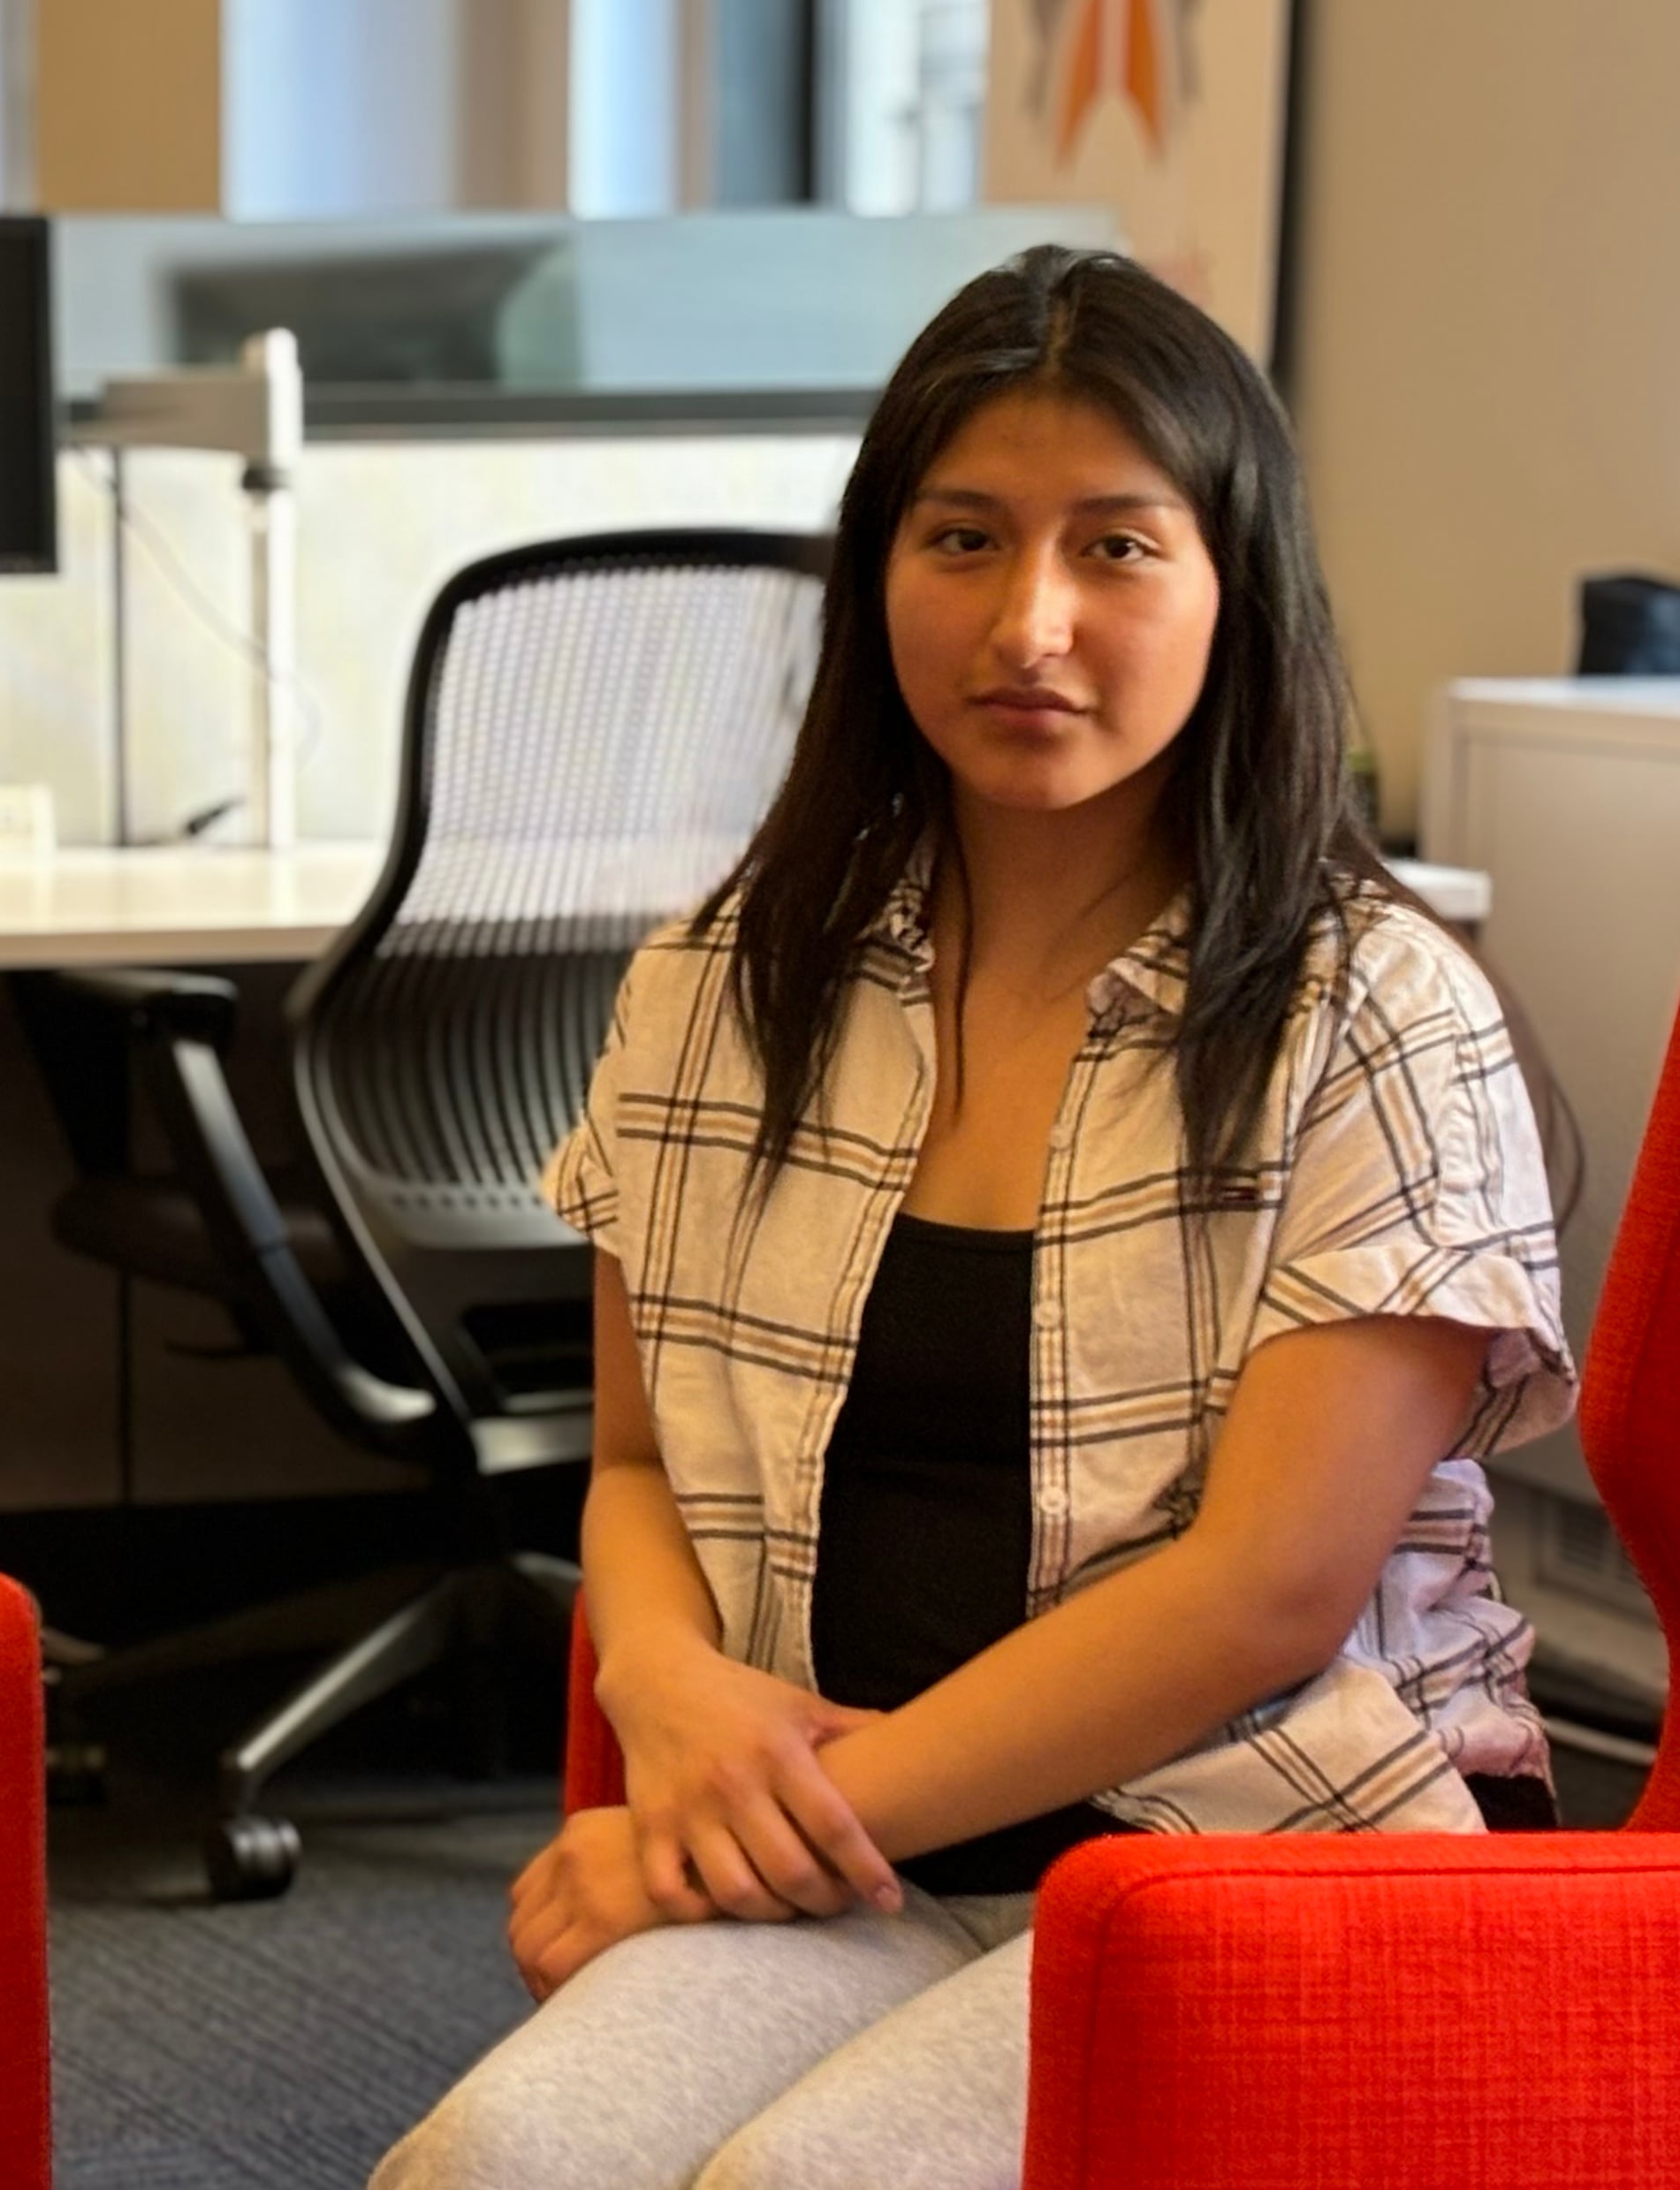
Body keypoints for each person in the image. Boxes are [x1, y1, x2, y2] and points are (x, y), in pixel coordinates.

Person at [375, 244, 1573, 2190]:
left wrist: (744, 1825)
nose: (1027, 622)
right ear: (873, 579)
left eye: (1113, 547)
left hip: (1259, 1847)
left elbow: (1263, 1594)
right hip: (875, 1855)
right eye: (961, 540)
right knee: (491, 2169)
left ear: (1229, 589)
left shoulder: (1372, 1016)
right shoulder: (722, 981)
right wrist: (665, 1699)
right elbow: (628, 1456)